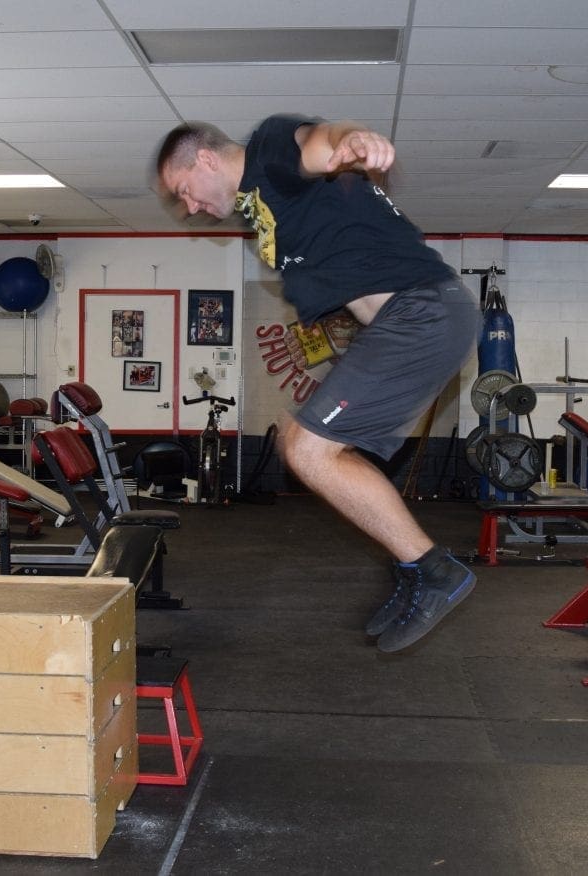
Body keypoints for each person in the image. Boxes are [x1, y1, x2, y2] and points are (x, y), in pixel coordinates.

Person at [157, 115, 480, 652]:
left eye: (184, 190)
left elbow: (316, 140)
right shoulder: (260, 201)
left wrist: (351, 140)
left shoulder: (268, 153)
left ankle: (433, 570)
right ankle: (414, 569)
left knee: (307, 450)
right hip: (413, 319)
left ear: (207, 159)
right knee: (306, 445)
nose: (189, 207)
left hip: (422, 315)